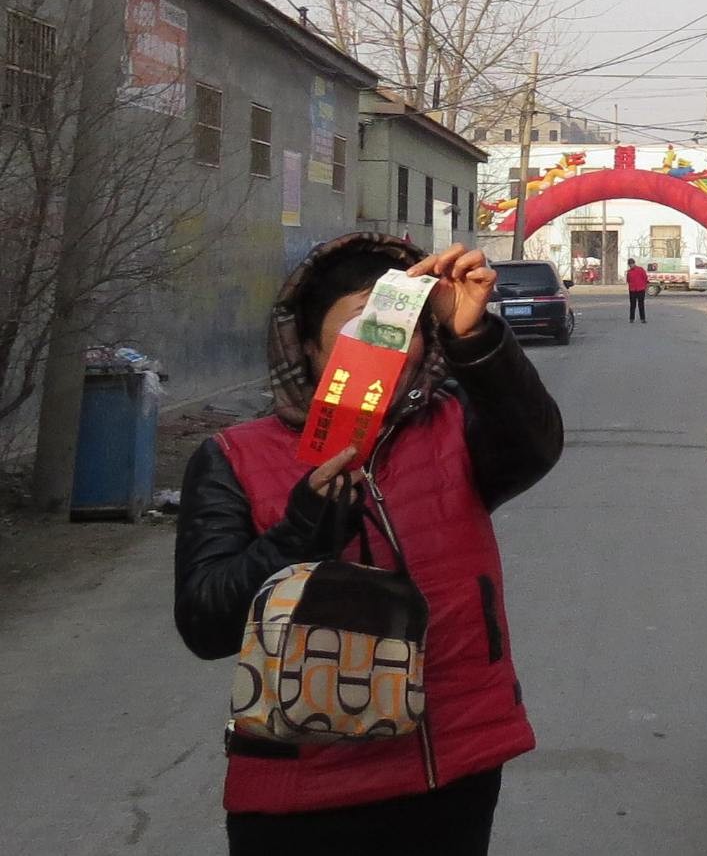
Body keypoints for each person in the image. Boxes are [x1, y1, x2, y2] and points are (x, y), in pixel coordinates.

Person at [173, 237, 564, 856]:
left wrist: (474, 337)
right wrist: (299, 532)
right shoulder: (233, 457)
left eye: (400, 323)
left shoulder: (452, 425)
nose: (386, 346)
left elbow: (535, 444)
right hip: (299, 789)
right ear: (306, 343)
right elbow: (205, 623)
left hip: (448, 769)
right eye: (363, 324)